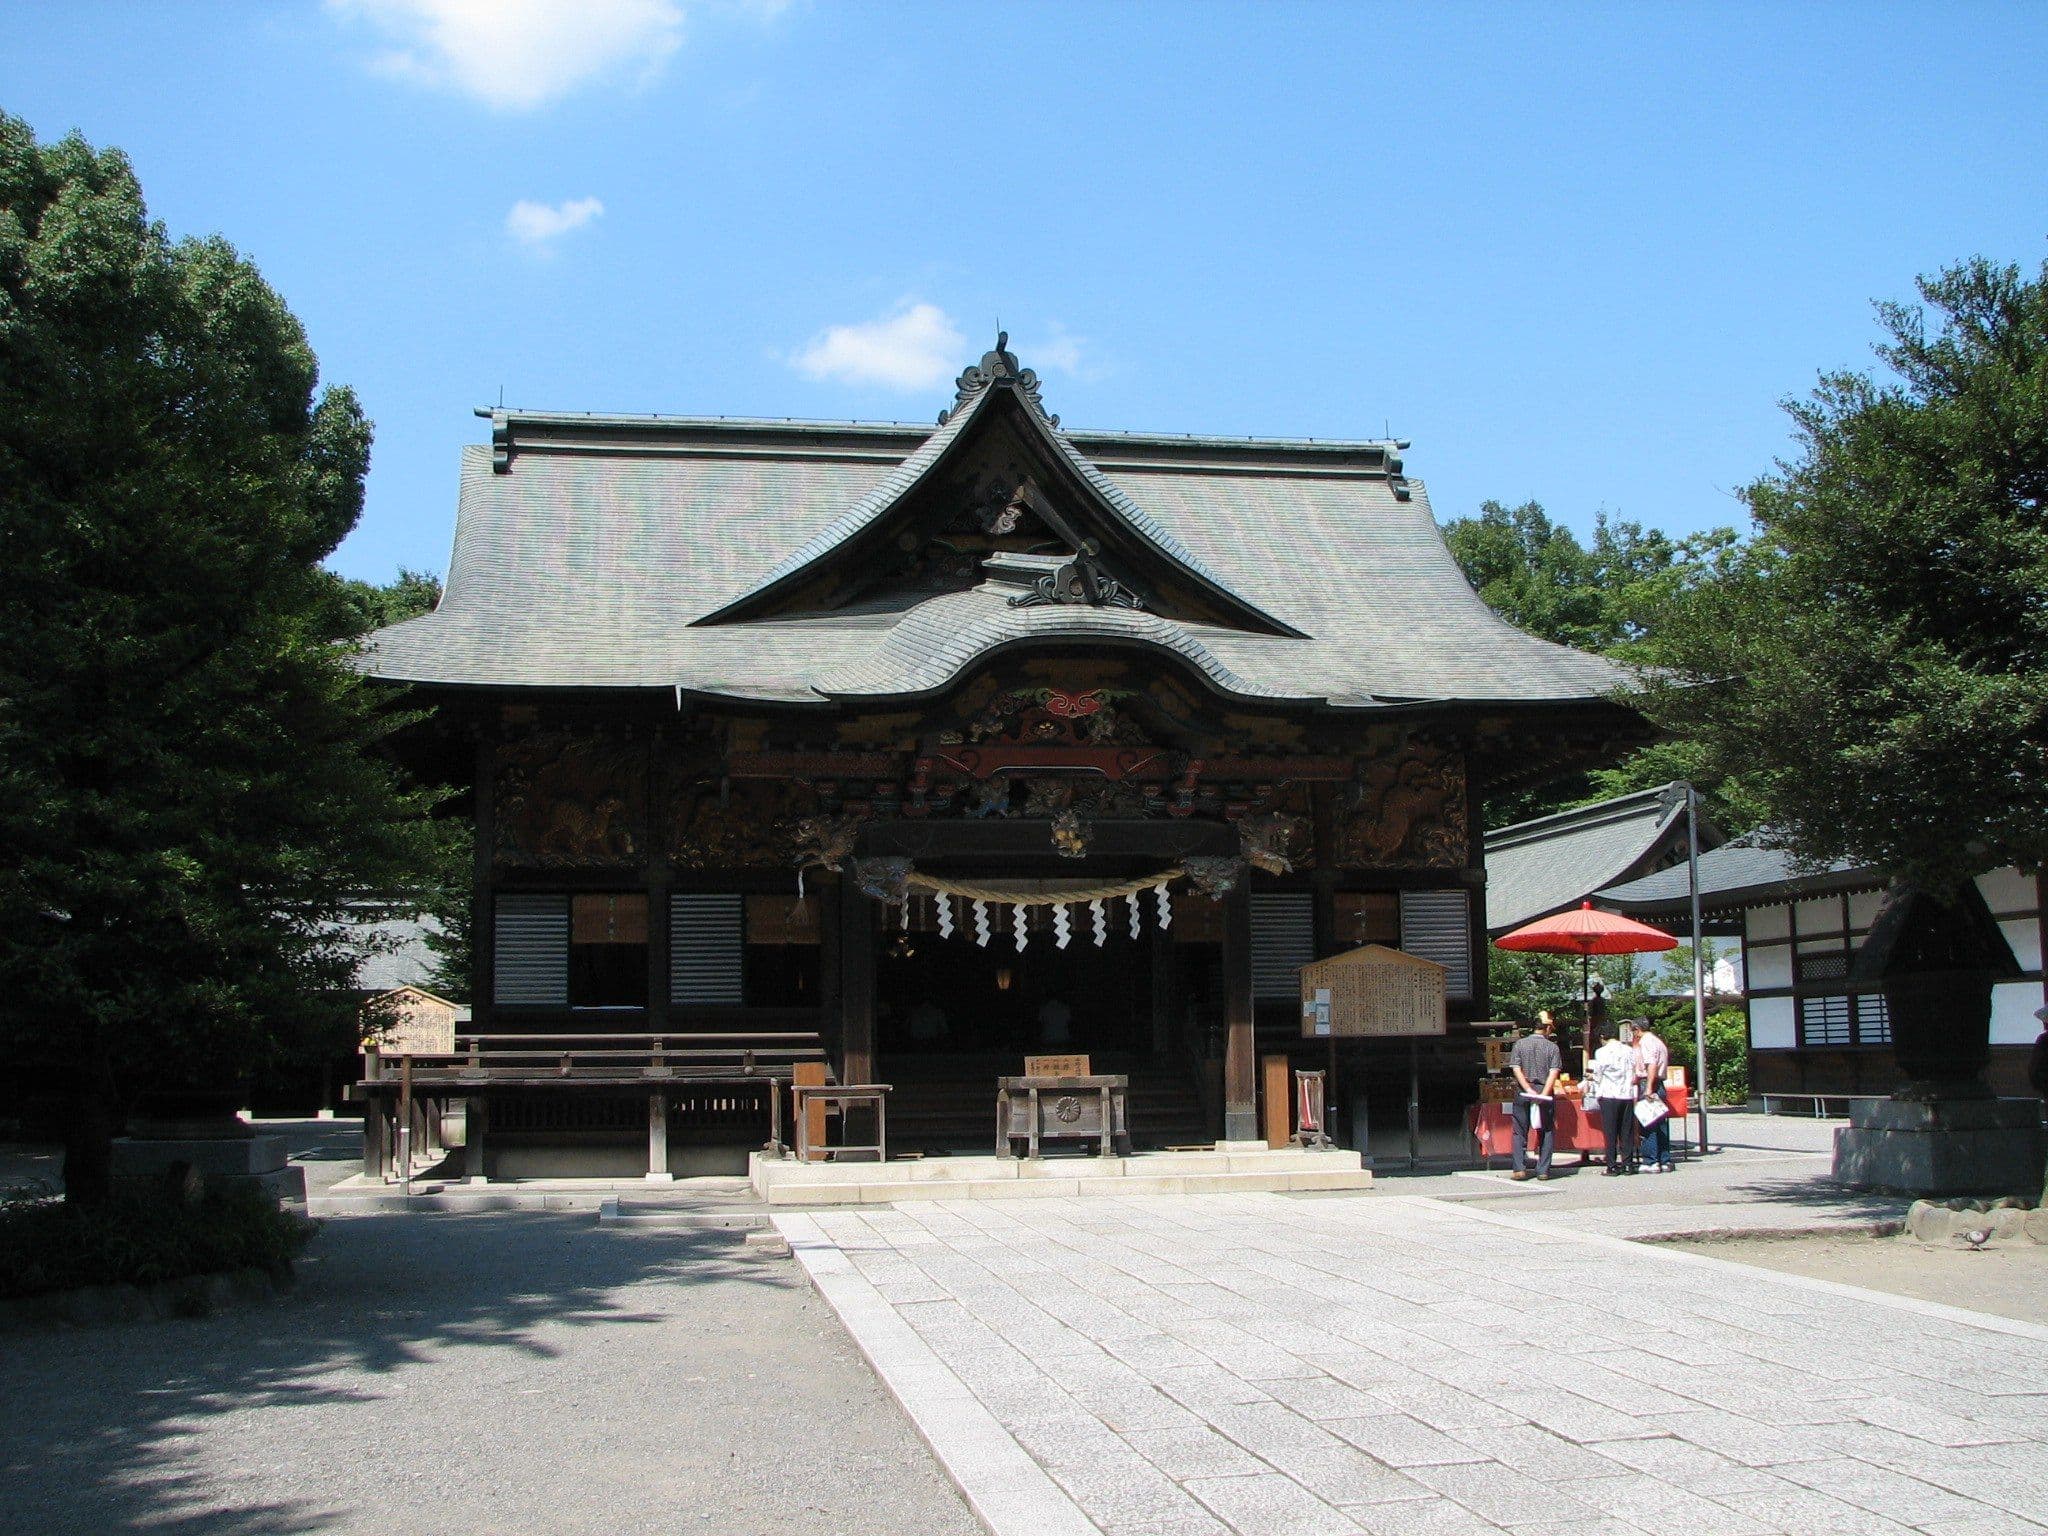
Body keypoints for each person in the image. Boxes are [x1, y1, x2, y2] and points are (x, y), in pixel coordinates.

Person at [1508, 1017, 1562, 1182]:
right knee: (1546, 1130)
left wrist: (1528, 1088)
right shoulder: (1552, 1047)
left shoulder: (1520, 1044)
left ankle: (1519, 1168)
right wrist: (1544, 1093)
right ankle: (1543, 1170)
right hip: (1544, 1088)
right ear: (1546, 1029)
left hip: (1524, 1090)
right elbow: (1554, 1072)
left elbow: (1516, 1068)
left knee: (1520, 1130)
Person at [1588, 1021, 1639, 1176]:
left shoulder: (1601, 1052)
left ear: (1603, 1036)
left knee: (1610, 1132)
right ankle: (1628, 1164)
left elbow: (1598, 1074)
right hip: (1626, 1093)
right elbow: (1633, 1070)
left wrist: (1590, 1076)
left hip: (1609, 1094)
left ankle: (1611, 1165)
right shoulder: (1629, 1050)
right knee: (1626, 1131)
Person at [1630, 1016, 1674, 1173]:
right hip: (1660, 1083)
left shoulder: (1646, 1042)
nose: (1633, 1035)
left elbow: (1651, 1064)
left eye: (1632, 1031)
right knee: (1661, 1123)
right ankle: (1665, 1159)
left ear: (1637, 1029)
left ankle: (1651, 1160)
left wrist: (1648, 1087)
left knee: (1648, 1123)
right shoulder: (1658, 1041)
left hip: (1648, 1083)